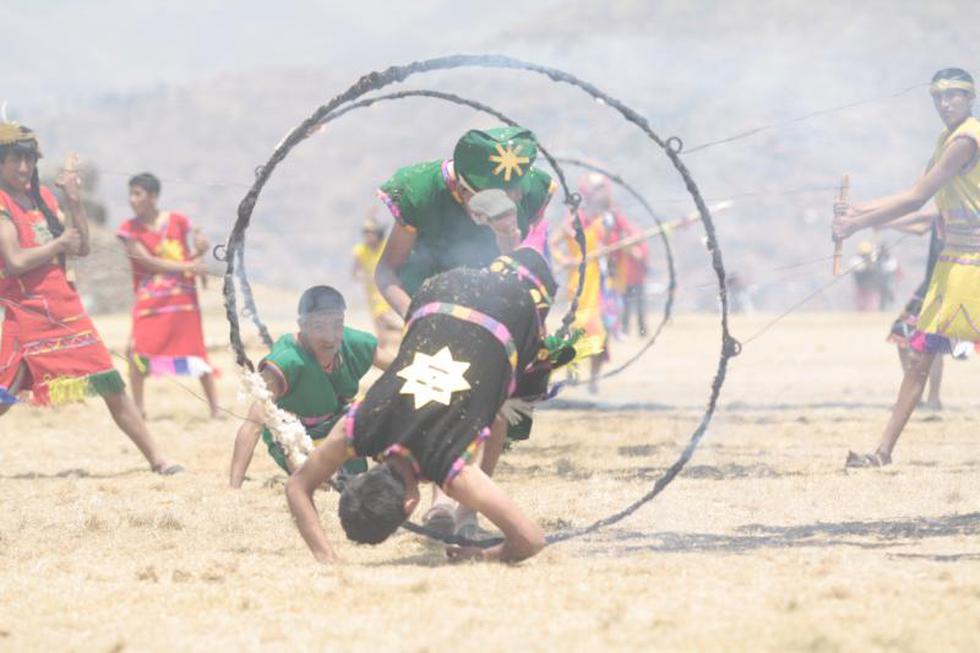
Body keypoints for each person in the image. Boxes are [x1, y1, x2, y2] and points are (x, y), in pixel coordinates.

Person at [286, 245, 568, 563]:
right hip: (439, 290)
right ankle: (467, 512)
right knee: (492, 406)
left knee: (499, 400)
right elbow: (297, 486)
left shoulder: (454, 473)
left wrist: (482, 556)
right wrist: (325, 558)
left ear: (409, 506)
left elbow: (531, 540)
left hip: (513, 307)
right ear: (364, 477)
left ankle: (468, 510)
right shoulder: (357, 427)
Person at [0, 122, 179, 474]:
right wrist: (56, 245)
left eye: (29, 160)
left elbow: (80, 246)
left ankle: (158, 460)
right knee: (6, 391)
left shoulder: (44, 199)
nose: (23, 168)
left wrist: (74, 200)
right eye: (14, 160)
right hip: (27, 312)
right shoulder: (2, 204)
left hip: (66, 309)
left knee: (109, 381)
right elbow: (16, 261)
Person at [833, 67, 980, 466]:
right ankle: (881, 454)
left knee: (921, 358)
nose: (946, 102)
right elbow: (917, 198)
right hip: (954, 267)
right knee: (918, 358)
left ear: (970, 98)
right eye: (939, 96)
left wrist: (858, 221)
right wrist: (859, 209)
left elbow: (916, 200)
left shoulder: (966, 140)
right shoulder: (945, 140)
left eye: (955, 95)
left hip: (974, 266)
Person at [374, 125, 556, 319]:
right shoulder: (422, 193)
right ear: (464, 190)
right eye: (494, 201)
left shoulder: (531, 194)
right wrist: (415, 317)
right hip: (429, 304)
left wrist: (508, 235)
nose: (511, 202)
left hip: (495, 313)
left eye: (512, 197)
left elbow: (521, 280)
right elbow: (386, 271)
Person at [229, 285, 392, 487]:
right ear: (302, 325)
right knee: (321, 482)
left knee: (356, 475)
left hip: (337, 425)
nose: (330, 336)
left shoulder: (352, 342)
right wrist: (234, 487)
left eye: (337, 325)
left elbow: (402, 370)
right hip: (292, 434)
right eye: (319, 327)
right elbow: (252, 424)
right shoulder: (287, 360)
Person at [116, 172, 219, 418]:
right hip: (150, 300)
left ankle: (216, 410)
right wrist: (188, 266)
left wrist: (200, 250)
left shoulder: (178, 221)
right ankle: (139, 410)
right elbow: (149, 262)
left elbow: (191, 254)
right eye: (131, 194)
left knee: (195, 349)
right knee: (137, 351)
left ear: (152, 196)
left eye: (137, 194)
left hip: (182, 299)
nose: (132, 199)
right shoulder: (128, 230)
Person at [552, 173, 614, 394]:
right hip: (578, 281)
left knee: (600, 332)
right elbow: (554, 243)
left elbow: (619, 242)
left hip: (599, 283)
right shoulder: (573, 220)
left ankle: (595, 380)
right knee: (577, 328)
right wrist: (565, 260)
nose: (601, 194)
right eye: (597, 190)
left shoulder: (607, 220)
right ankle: (573, 376)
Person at [883, 214, 946, 410]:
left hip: (950, 281)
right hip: (931, 283)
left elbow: (922, 213)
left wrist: (868, 219)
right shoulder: (945, 207)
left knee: (932, 340)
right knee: (902, 333)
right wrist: (884, 221)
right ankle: (915, 396)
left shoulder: (957, 204)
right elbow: (921, 226)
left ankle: (933, 399)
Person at [350, 211, 402, 349]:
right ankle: (383, 353)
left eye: (370, 232)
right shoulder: (360, 251)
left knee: (384, 318)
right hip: (372, 294)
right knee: (380, 328)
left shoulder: (386, 246)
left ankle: (405, 331)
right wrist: (364, 278)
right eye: (365, 233)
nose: (367, 236)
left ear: (377, 233)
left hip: (388, 289)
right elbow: (355, 273)